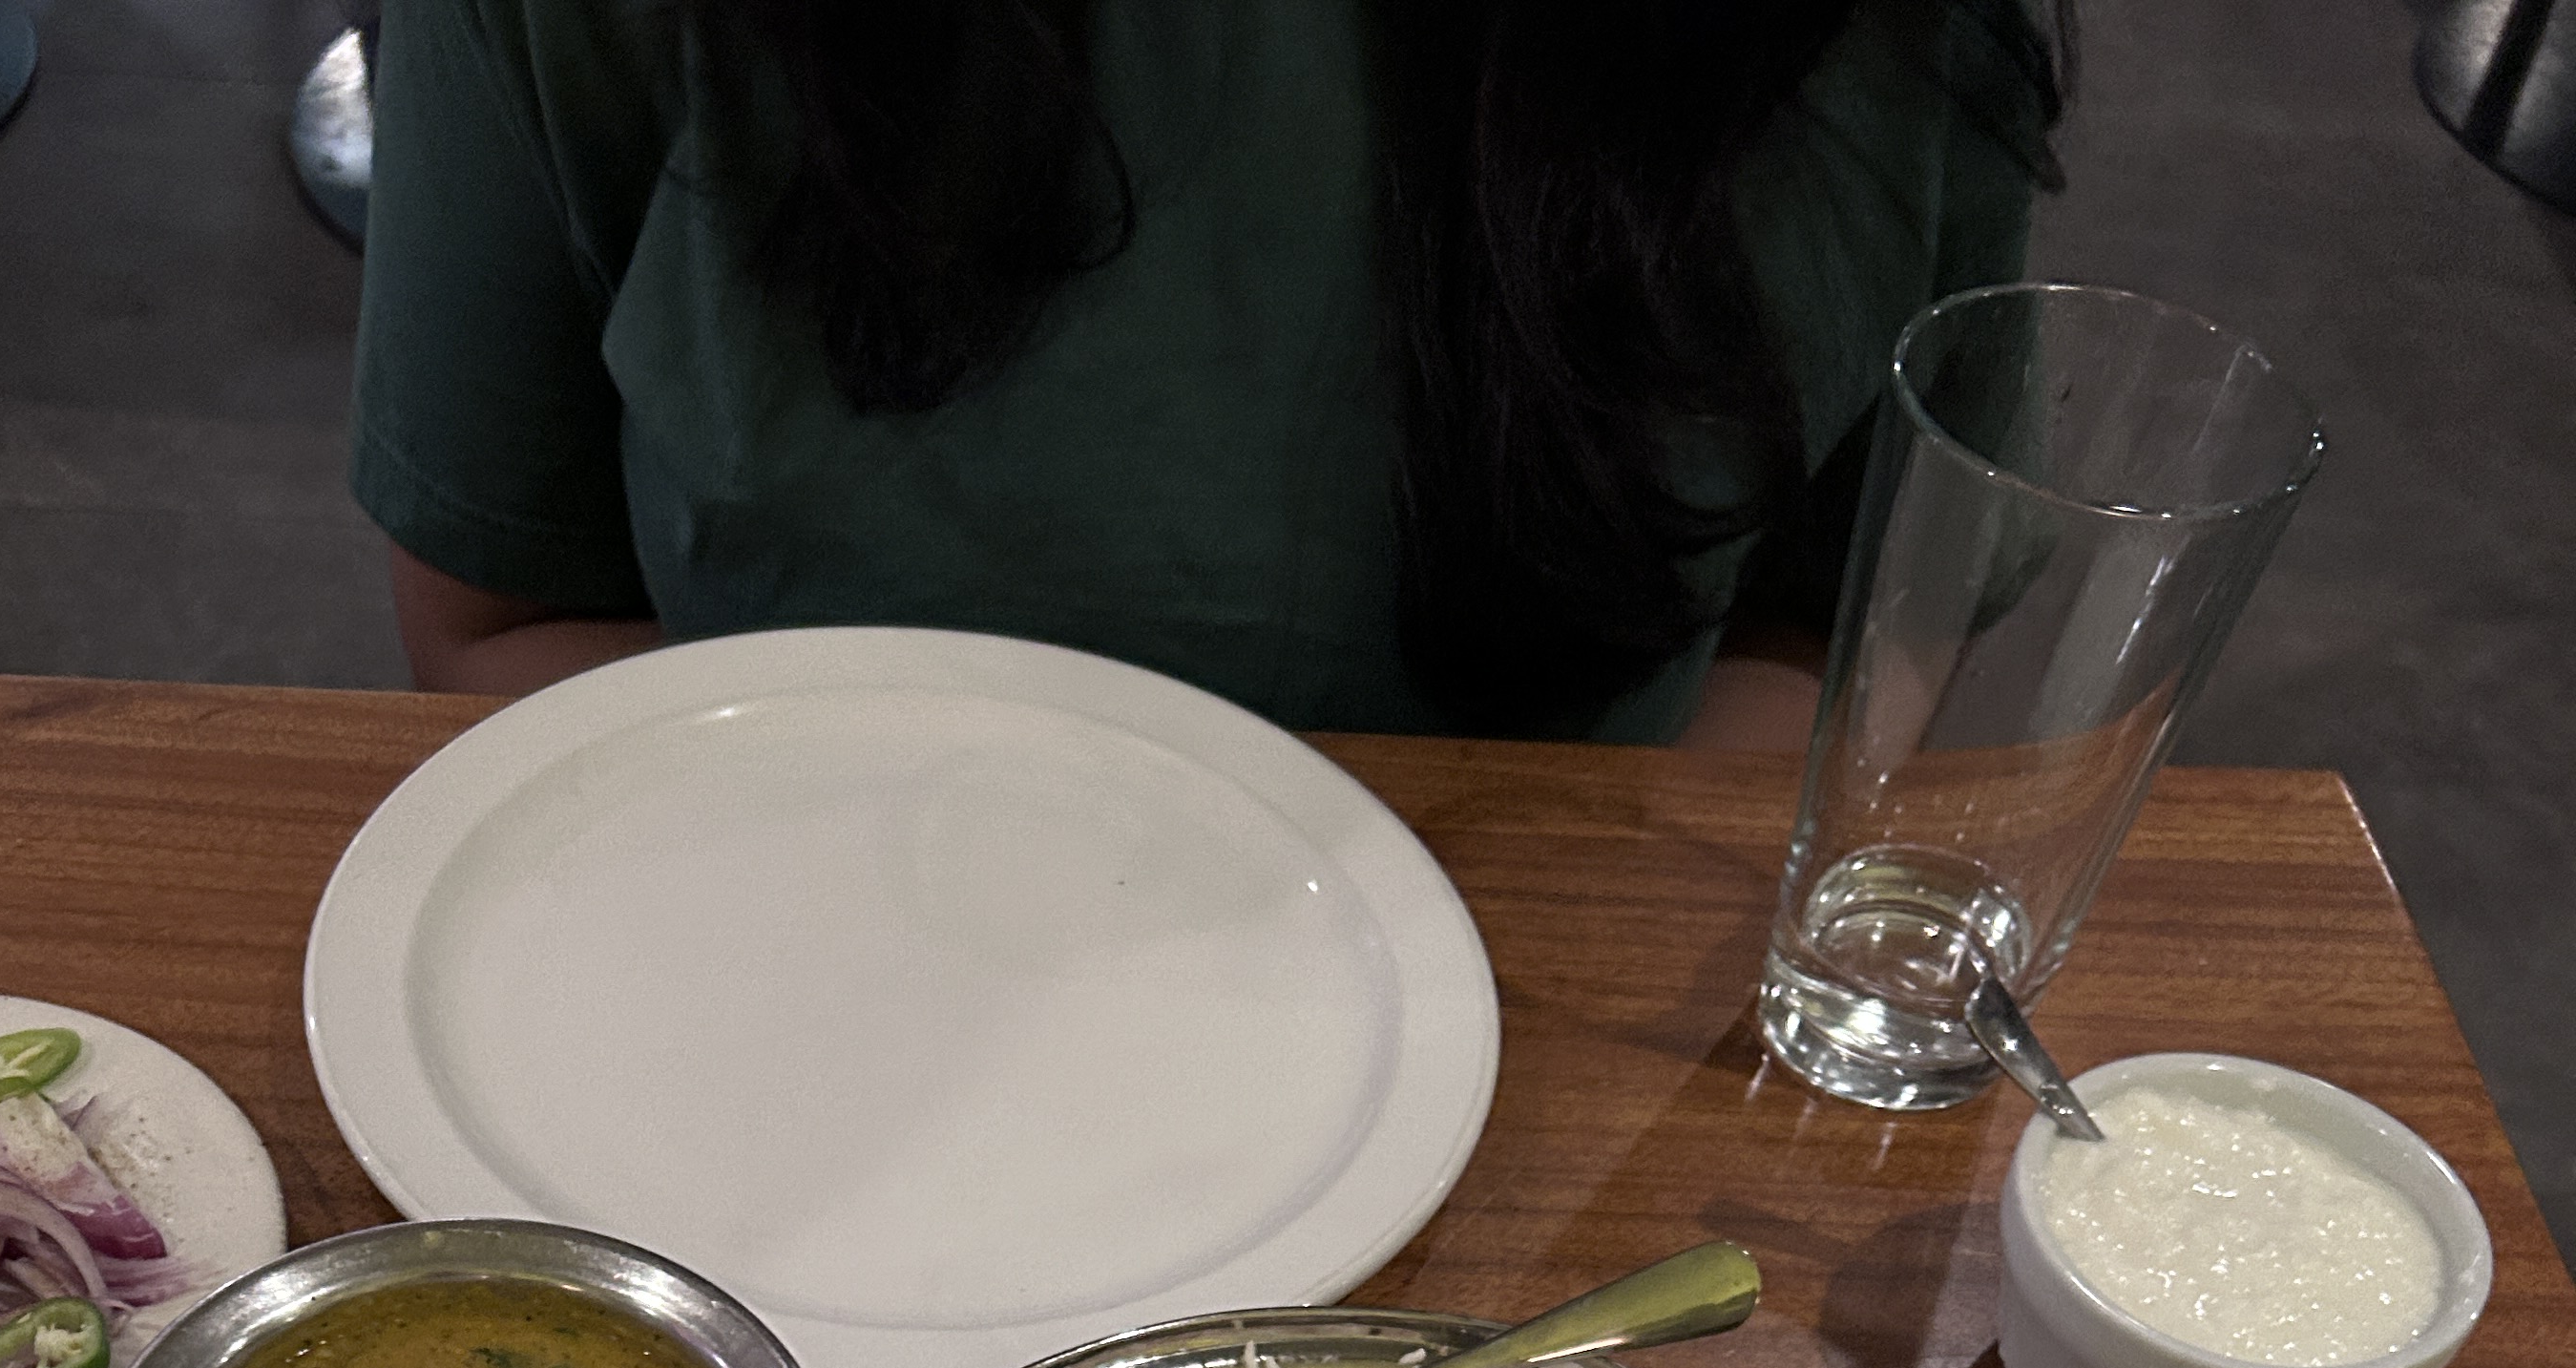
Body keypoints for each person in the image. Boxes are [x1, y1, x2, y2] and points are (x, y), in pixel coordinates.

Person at [354, 0, 2068, 750]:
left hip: (1535, 1062)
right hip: (761, 982)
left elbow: (1850, 634)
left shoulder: (1869, 41)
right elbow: (498, 619)